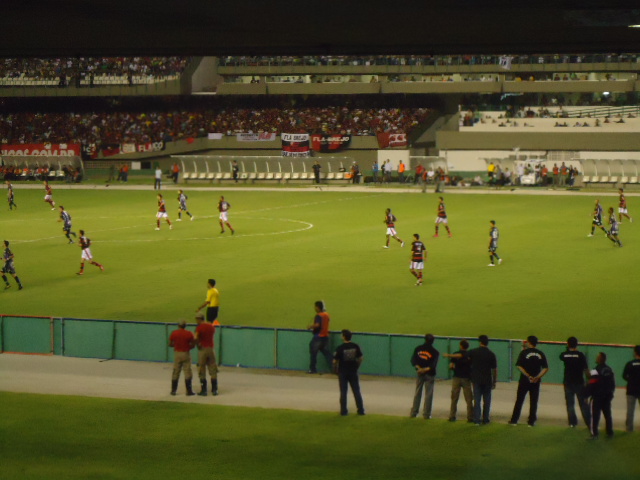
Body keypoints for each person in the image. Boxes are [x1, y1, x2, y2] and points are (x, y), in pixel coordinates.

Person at [509, 335, 549, 426]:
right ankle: (531, 421)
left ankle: (514, 420)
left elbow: (519, 366)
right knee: (534, 401)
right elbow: (545, 368)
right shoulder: (540, 353)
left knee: (519, 400)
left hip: (524, 380)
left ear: (529, 342)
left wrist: (528, 376)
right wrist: (537, 377)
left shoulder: (524, 352)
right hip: (536, 381)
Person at [559, 336, 591, 428]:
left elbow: (561, 356)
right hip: (579, 382)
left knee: (570, 404)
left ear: (568, 344)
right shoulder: (580, 355)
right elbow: (586, 369)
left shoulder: (564, 355)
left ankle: (572, 423)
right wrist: (589, 380)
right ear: (577, 344)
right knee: (584, 404)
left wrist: (568, 349)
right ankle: (589, 423)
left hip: (568, 382)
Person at [333, 329, 365, 416]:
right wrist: (356, 366)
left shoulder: (340, 348)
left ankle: (343, 411)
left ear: (343, 337)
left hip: (343, 372)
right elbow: (360, 358)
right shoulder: (355, 346)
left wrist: (335, 369)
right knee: (356, 391)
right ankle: (361, 410)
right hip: (353, 371)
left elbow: (335, 361)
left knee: (343, 392)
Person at [585, 352, 615, 439]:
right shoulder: (609, 369)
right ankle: (609, 432)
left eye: (598, 357)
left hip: (598, 396)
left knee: (595, 416)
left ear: (600, 359)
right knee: (607, 415)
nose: (596, 358)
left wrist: (586, 394)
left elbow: (592, 383)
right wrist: (611, 394)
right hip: (607, 395)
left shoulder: (595, 369)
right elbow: (612, 383)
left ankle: (595, 433)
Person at [468, 335, 497, 425]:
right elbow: (495, 369)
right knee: (487, 400)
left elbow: (467, 360)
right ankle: (486, 419)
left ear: (480, 342)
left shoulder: (473, 352)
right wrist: (494, 381)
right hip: (487, 380)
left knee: (477, 400)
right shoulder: (491, 354)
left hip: (476, 379)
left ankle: (477, 419)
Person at [442, 340, 473, 423]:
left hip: (456, 377)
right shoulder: (470, 354)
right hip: (466, 378)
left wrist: (449, 358)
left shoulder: (456, 354)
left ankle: (452, 416)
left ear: (460, 346)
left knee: (454, 398)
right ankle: (470, 417)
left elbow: (451, 365)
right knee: (469, 399)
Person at [409, 333, 439, 419]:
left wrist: (419, 369)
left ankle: (414, 412)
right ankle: (426, 414)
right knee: (428, 394)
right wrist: (424, 370)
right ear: (433, 341)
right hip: (430, 374)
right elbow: (433, 366)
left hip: (419, 373)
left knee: (417, 392)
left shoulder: (418, 349)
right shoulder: (435, 352)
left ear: (425, 339)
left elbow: (413, 361)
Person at [168, 319, 195, 396]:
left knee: (176, 371)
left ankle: (173, 391)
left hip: (177, 353)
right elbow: (193, 345)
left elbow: (170, 344)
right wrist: (187, 347)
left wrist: (176, 345)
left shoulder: (174, 333)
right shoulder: (189, 333)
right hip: (186, 353)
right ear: (185, 326)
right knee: (187, 372)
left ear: (178, 325)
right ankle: (189, 391)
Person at [194, 313, 218, 396]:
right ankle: (215, 390)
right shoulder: (211, 326)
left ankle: (204, 390)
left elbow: (196, 338)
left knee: (201, 368)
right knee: (212, 368)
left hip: (203, 349)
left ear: (200, 319)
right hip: (211, 349)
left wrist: (198, 344)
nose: (196, 321)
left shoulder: (199, 328)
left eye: (197, 319)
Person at [307, 300, 332, 374]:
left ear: (318, 307)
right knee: (327, 354)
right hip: (325, 336)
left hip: (318, 337)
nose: (314, 308)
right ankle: (334, 368)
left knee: (313, 353)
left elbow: (317, 325)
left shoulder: (319, 315)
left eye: (315, 306)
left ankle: (312, 369)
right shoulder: (327, 314)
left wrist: (310, 326)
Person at [623, 345, 640, 432]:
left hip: (631, 389)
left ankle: (629, 429)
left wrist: (631, 380)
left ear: (635, 353)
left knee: (630, 411)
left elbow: (624, 376)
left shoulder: (630, 364)